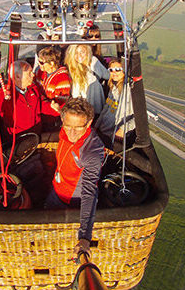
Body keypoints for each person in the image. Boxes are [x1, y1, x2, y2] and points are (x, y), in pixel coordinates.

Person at [45, 98, 105, 258]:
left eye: (78, 128)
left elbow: (89, 193)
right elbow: (66, 118)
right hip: (55, 190)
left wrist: (85, 236)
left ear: (89, 123)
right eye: (68, 126)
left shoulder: (91, 151)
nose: (71, 133)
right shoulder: (67, 126)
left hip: (71, 203)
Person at [0, 60, 41, 146]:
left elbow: (45, 106)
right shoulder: (3, 95)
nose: (33, 75)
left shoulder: (33, 89)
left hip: (38, 136)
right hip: (19, 142)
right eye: (29, 73)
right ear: (17, 77)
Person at [94, 58, 135, 147]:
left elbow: (140, 118)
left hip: (115, 137)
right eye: (111, 70)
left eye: (118, 70)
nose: (114, 72)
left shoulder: (129, 91)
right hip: (103, 131)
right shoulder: (113, 87)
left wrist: (123, 129)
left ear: (124, 71)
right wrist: (97, 125)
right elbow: (106, 109)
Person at [35, 46, 71, 130]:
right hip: (40, 113)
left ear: (51, 63)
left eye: (42, 62)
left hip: (52, 120)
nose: (39, 64)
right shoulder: (40, 72)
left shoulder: (62, 79)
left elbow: (60, 105)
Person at [65, 44, 105, 115]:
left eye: (82, 52)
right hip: (79, 106)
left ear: (87, 52)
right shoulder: (71, 67)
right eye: (76, 53)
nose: (79, 55)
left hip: (96, 103)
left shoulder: (93, 61)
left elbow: (107, 75)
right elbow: (74, 92)